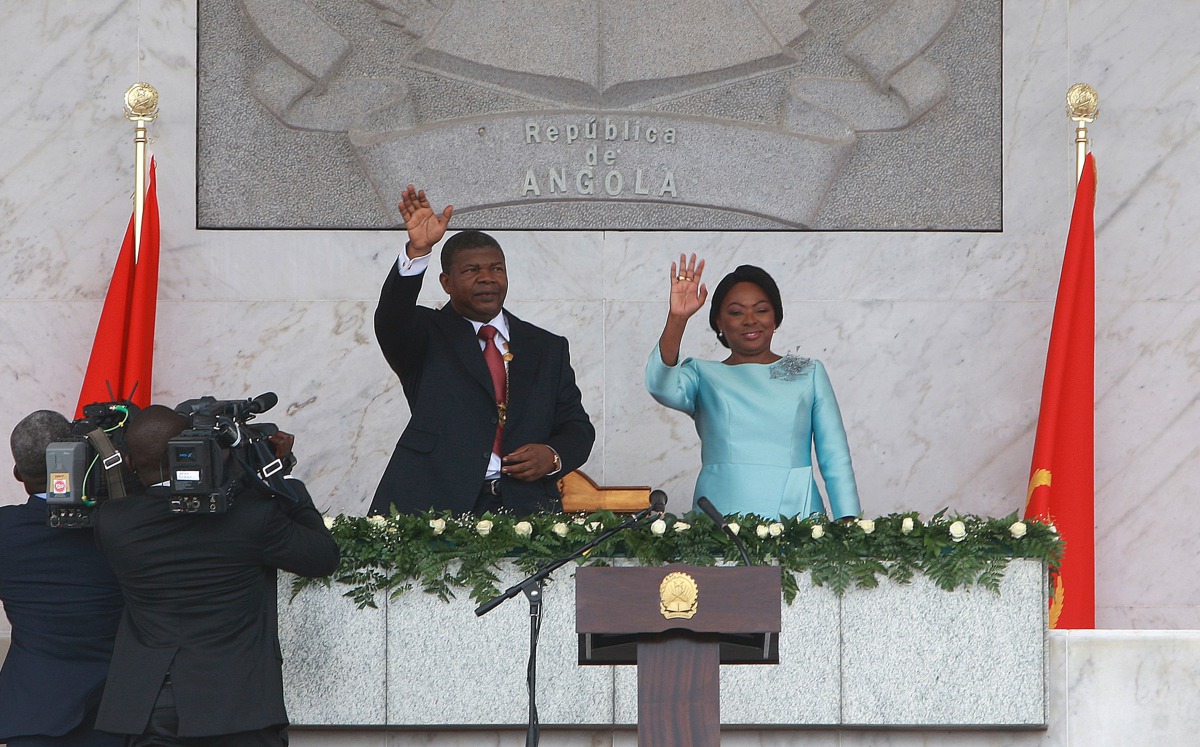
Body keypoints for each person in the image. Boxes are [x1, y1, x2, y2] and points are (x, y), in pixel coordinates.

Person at [92, 405, 339, 746]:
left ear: (130, 463)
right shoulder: (252, 516)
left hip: (151, 706)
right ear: (200, 452)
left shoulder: (113, 523)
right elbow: (323, 556)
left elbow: (150, 505)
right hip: (238, 706)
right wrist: (279, 477)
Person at [369, 185, 595, 516]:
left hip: (525, 508)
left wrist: (552, 455)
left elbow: (577, 427)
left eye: (496, 269)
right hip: (431, 507)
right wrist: (417, 252)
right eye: (472, 271)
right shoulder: (424, 333)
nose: (487, 279)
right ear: (446, 282)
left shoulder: (547, 347)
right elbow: (392, 316)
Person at [645, 255, 861, 520]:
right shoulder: (703, 374)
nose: (750, 320)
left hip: (797, 514)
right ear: (719, 324)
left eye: (761, 310)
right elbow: (660, 384)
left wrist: (848, 522)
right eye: (736, 312)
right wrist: (677, 319)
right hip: (720, 513)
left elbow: (835, 457)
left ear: (776, 318)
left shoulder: (808, 371)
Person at [0, 410, 126, 747]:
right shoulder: (123, 526)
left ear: (17, 473)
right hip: (116, 710)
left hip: (33, 710)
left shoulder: (5, 530)